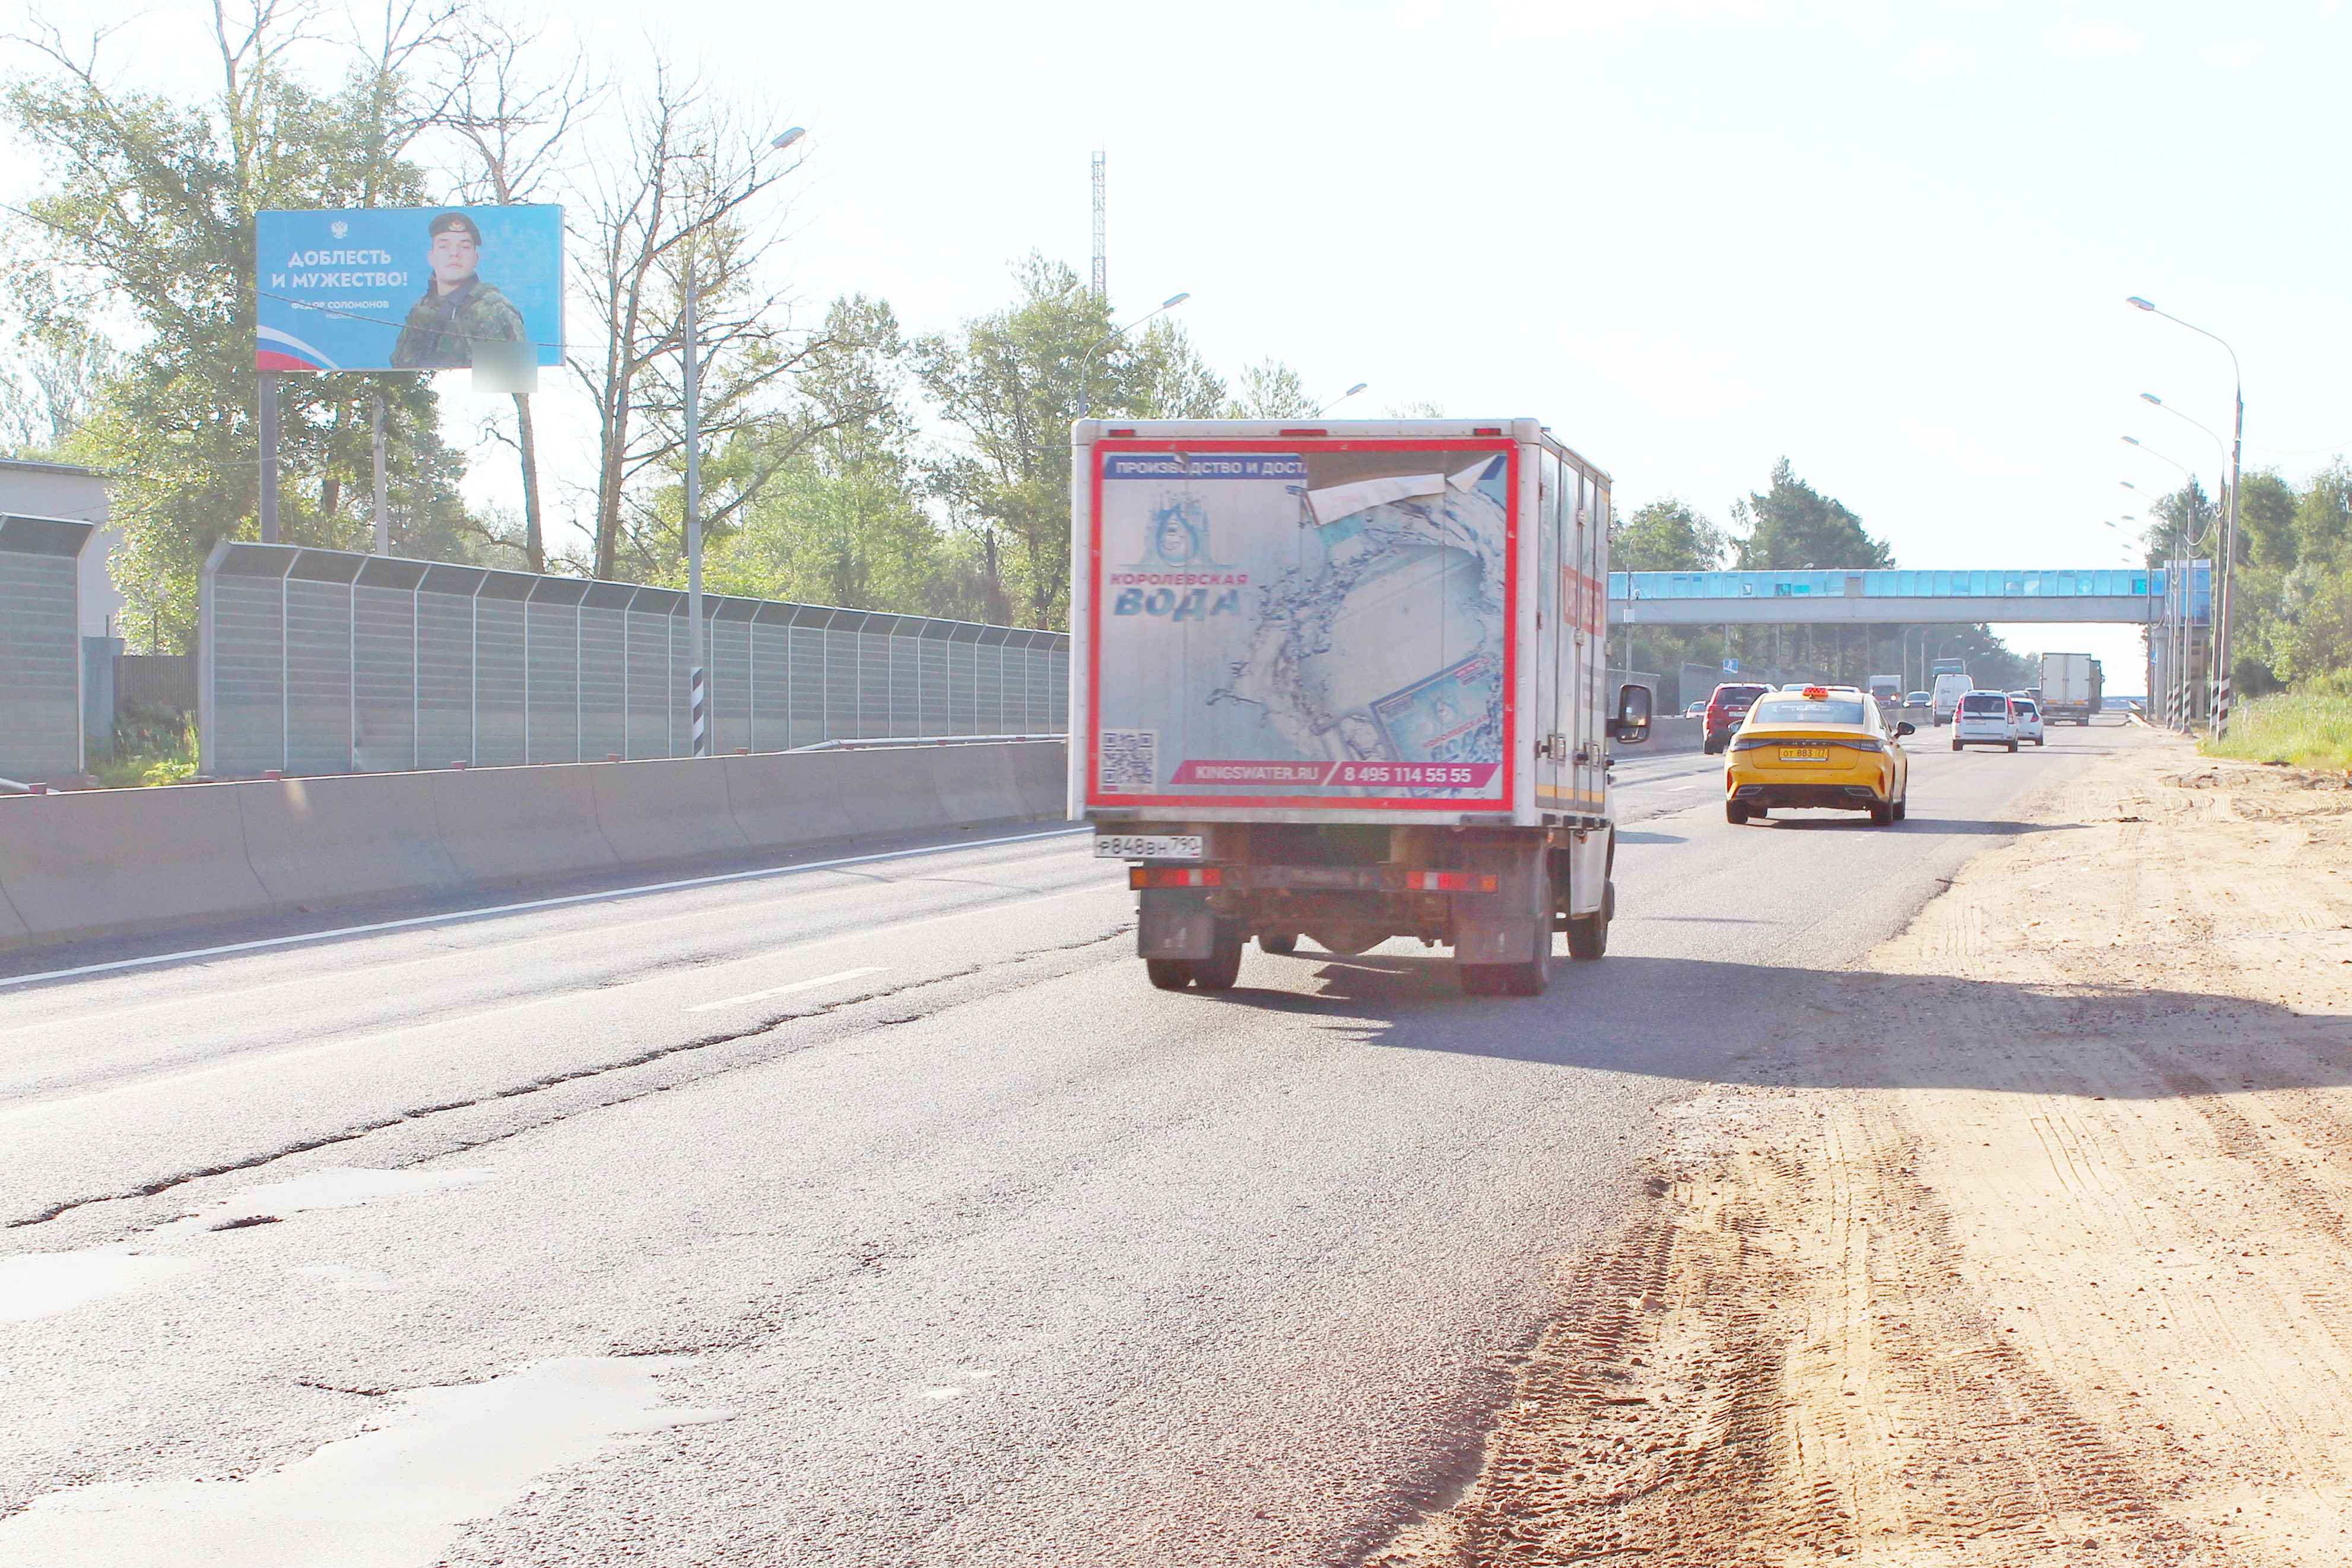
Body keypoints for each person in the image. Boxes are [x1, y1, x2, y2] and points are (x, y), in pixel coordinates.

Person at [390, 212, 526, 369]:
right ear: (431, 257)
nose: (454, 254)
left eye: (465, 247)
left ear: (476, 258)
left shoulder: (492, 309)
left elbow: (512, 383)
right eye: (444, 246)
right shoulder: (423, 307)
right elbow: (401, 371)